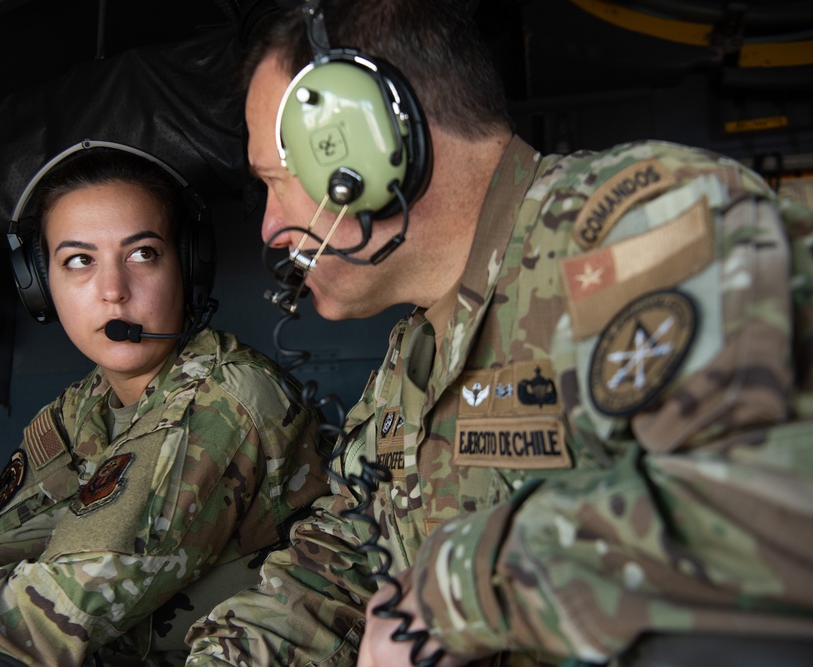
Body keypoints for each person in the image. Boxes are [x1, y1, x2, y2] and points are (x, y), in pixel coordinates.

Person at [184, 0, 813, 665]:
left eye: (278, 183)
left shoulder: (633, 224)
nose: (268, 228)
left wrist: (446, 593)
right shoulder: (414, 353)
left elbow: (772, 506)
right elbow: (344, 556)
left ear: (370, 153)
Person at [0, 143, 331, 666]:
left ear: (188, 269)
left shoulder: (225, 399)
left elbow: (53, 612)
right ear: (40, 289)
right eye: (79, 260)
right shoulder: (81, 408)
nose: (113, 291)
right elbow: (4, 555)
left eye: (142, 253)